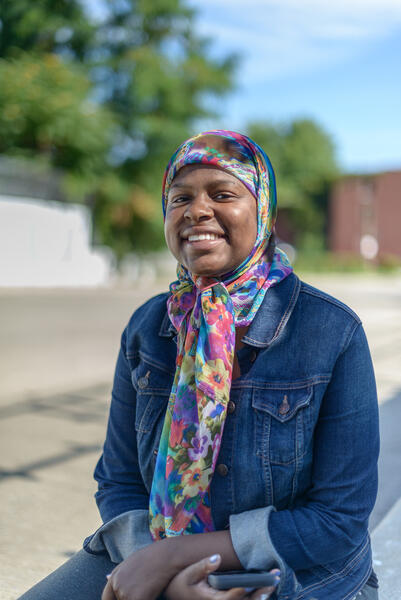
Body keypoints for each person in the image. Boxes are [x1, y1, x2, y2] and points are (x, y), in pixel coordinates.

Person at [19, 130, 380, 600]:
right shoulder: (150, 327)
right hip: (147, 550)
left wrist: (176, 560)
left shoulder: (329, 331)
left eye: (223, 194)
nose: (196, 211)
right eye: (180, 197)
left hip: (296, 574)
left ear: (264, 211)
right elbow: (119, 479)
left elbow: (337, 521)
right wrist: (158, 570)